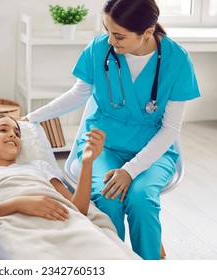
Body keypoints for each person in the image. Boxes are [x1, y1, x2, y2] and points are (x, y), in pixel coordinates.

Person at [21, 0, 201, 260]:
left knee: (142, 200)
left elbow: (171, 127)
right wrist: (32, 117)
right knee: (108, 198)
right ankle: (114, 264)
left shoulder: (177, 60)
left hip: (153, 147)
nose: (110, 40)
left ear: (147, 33)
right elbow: (78, 94)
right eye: (107, 31)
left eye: (119, 36)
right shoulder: (99, 48)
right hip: (103, 143)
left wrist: (130, 171)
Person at [0, 113, 140, 260]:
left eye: (17, 133)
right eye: (3, 130)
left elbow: (78, 209)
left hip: (66, 224)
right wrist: (19, 204)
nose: (13, 135)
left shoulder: (39, 166)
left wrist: (87, 162)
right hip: (18, 232)